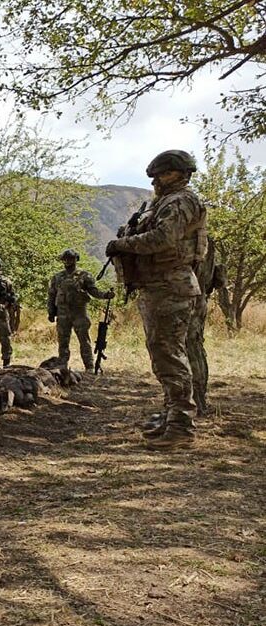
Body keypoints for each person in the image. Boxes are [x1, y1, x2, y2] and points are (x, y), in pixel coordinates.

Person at [106, 149, 207, 450]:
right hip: (159, 287)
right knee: (163, 356)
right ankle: (172, 417)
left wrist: (121, 243)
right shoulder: (165, 201)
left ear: (175, 173)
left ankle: (181, 428)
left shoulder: (180, 201)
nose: (156, 181)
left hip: (170, 287)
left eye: (160, 175)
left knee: (170, 357)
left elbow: (163, 239)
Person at [47, 249, 115, 370]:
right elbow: (52, 295)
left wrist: (105, 295)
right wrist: (51, 311)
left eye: (71, 258)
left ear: (76, 259)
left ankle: (89, 366)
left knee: (84, 340)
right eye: (66, 259)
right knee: (63, 341)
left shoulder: (84, 276)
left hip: (79, 312)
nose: (68, 261)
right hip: (62, 313)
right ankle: (62, 366)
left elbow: (93, 291)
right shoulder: (57, 277)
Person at [187, 236, 225, 416]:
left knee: (190, 349)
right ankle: (200, 398)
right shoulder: (207, 241)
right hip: (201, 300)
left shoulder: (189, 239)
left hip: (189, 301)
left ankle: (196, 401)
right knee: (197, 348)